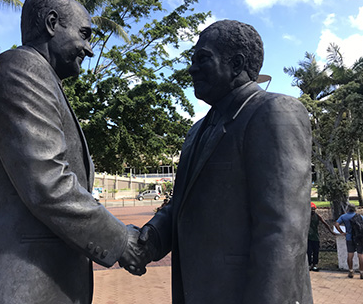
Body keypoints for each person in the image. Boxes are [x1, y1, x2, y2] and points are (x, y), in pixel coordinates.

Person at [0, 0, 147, 304]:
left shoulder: (43, 78)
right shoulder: (20, 69)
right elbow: (49, 184)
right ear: (52, 23)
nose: (88, 47)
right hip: (19, 285)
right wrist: (121, 241)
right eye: (84, 34)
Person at [134, 20, 313, 303]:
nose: (192, 69)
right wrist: (148, 241)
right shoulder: (197, 131)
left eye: (202, 59)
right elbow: (181, 206)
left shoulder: (273, 112)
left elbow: (283, 232)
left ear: (237, 63)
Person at [335, 204, 363, 279]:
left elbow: (337, 224)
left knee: (350, 255)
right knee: (360, 255)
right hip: (359, 238)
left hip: (349, 237)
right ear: (355, 209)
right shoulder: (359, 216)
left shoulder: (343, 216)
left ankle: (350, 271)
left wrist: (341, 232)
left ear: (347, 209)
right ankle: (361, 272)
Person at [308, 202, 335, 271]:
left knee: (316, 251)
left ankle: (314, 265)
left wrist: (331, 231)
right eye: (311, 209)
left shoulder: (317, 216)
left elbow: (325, 224)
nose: (312, 211)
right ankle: (309, 264)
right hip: (308, 237)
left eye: (313, 209)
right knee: (309, 251)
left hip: (315, 236)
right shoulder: (306, 217)